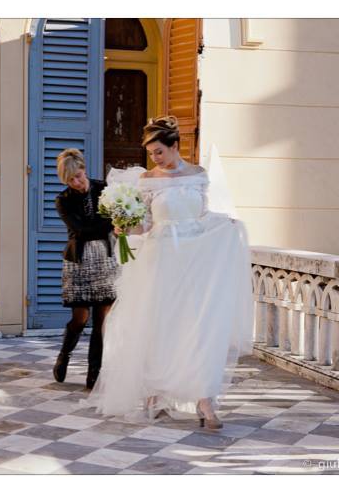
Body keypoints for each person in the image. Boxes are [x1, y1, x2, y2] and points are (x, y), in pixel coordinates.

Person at [87, 116, 253, 430]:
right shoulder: (148, 179)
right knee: (160, 326)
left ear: (175, 145)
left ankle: (205, 401)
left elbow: (203, 215)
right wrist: (123, 227)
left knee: (198, 327)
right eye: (151, 154)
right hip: (161, 260)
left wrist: (226, 225)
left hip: (196, 260)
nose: (155, 158)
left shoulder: (198, 175)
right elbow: (145, 225)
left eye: (159, 152)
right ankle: (154, 393)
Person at [53, 149, 119, 390]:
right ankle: (65, 354)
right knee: (80, 318)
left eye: (78, 176)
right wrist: (109, 224)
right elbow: (79, 230)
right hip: (78, 262)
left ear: (84, 169)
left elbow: (116, 219)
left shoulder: (105, 189)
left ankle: (94, 373)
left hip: (106, 259)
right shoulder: (63, 200)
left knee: (102, 321)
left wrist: (111, 224)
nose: (76, 182)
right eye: (70, 179)